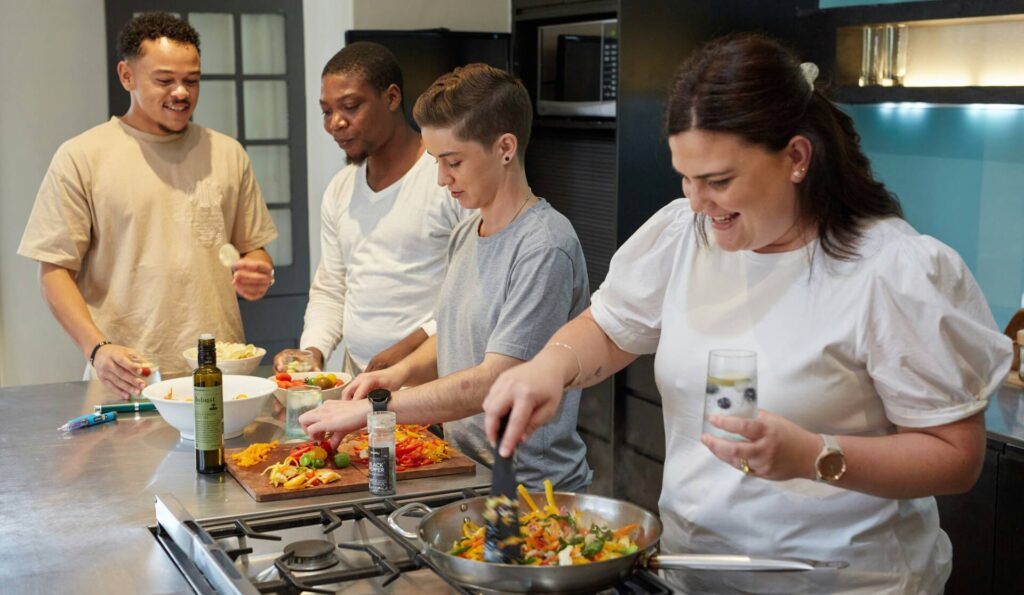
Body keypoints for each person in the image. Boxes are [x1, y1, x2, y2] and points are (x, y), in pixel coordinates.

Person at [481, 34, 1012, 593]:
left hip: (838, 582)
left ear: (796, 158)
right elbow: (610, 329)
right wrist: (550, 366)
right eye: (685, 177)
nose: (696, 201)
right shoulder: (685, 235)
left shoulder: (892, 271)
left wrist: (815, 455)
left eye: (719, 181)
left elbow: (956, 457)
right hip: (692, 571)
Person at [301, 64, 592, 491]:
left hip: (534, 490)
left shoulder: (544, 246)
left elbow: (496, 378)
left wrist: (380, 409)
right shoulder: (465, 233)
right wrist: (400, 372)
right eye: (437, 161)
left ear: (505, 148)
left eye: (453, 161)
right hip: (468, 469)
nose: (441, 179)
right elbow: (455, 334)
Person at [18, 12, 277, 398]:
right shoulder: (82, 156)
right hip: (126, 376)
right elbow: (54, 273)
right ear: (127, 76)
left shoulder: (227, 153)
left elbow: (253, 248)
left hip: (217, 374)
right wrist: (97, 349)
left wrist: (260, 270)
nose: (181, 93)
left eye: (192, 80)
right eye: (164, 80)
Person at [273, 42, 467, 376]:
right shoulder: (340, 189)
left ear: (391, 98)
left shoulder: (448, 179)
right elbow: (332, 288)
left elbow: (473, 295)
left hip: (431, 378)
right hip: (359, 376)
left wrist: (413, 345)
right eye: (326, 111)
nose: (335, 123)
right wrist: (312, 351)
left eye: (349, 107)